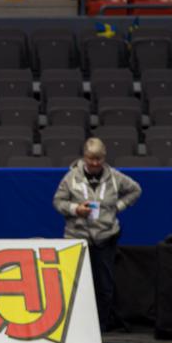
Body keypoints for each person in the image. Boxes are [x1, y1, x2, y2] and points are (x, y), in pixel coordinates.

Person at [52, 137, 142, 332]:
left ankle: (100, 326)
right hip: (76, 237)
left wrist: (118, 207)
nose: (94, 163)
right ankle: (74, 326)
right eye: (90, 158)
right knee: (74, 283)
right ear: (84, 157)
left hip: (106, 237)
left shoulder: (116, 178)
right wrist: (75, 209)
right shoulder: (71, 178)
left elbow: (136, 190)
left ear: (104, 158)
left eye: (98, 159)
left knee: (104, 284)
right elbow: (58, 202)